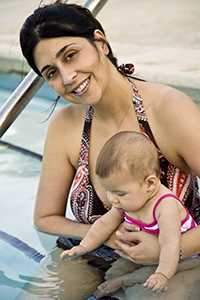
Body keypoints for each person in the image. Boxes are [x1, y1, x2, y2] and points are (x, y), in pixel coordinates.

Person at [19, 1, 200, 299]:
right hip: (95, 251)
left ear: (100, 43)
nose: (67, 77)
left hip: (177, 256)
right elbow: (46, 217)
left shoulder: (168, 110)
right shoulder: (65, 127)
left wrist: (171, 248)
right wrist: (106, 237)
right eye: (51, 72)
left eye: (71, 55)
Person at [61, 131, 197, 296]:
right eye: (109, 191)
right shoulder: (127, 201)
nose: (113, 200)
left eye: (119, 193)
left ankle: (127, 281)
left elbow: (171, 245)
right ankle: (121, 281)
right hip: (144, 256)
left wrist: (162, 274)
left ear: (150, 184)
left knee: (148, 285)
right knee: (114, 272)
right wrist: (83, 246)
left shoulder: (165, 207)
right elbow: (104, 224)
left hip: (181, 260)